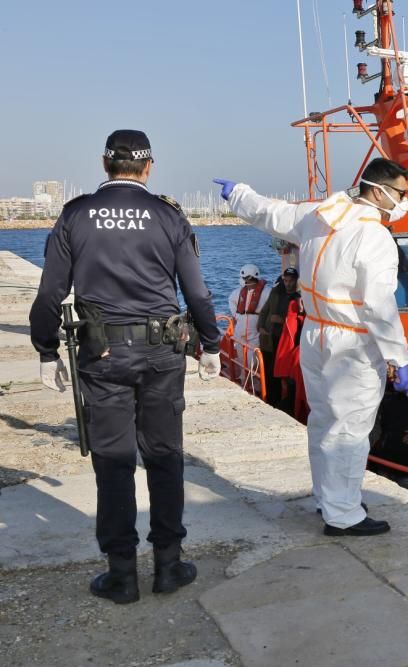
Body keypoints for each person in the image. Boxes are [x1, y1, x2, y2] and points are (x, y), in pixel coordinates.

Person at [29, 129, 221, 604]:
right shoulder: (167, 215)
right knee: (164, 454)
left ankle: (121, 574)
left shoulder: (75, 214)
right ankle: (169, 565)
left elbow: (51, 292)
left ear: (105, 163)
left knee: (112, 461)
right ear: (148, 166)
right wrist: (211, 344)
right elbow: (196, 292)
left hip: (102, 353)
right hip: (161, 353)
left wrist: (46, 349)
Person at [214, 158, 408, 536]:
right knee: (350, 429)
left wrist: (239, 194)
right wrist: (399, 358)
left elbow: (272, 214)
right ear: (379, 190)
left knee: (322, 421)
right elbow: (378, 304)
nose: (404, 201)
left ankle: (331, 497)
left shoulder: (322, 215)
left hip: (316, 333)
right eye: (401, 193)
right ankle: (344, 513)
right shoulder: (374, 237)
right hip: (351, 342)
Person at [257, 267, 299, 406]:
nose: (288, 283)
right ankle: (270, 399)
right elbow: (264, 310)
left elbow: (299, 319)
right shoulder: (276, 293)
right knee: (269, 371)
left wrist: (281, 320)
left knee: (283, 372)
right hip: (269, 338)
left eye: (291, 281)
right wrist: (261, 327)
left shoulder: (297, 299)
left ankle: (285, 401)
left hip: (285, 341)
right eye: (285, 280)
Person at [228, 263, 271, 387]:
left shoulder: (267, 292)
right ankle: (243, 381)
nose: (248, 281)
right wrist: (236, 316)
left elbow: (270, 308)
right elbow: (231, 301)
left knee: (254, 360)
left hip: (255, 331)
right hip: (240, 330)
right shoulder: (237, 293)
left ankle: (255, 386)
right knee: (242, 358)